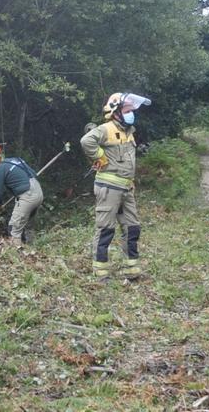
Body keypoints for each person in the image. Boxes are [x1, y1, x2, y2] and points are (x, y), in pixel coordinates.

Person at [80, 92, 151, 282]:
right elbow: (86, 141)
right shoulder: (106, 129)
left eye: (132, 110)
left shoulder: (129, 131)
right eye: (128, 110)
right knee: (106, 229)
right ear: (116, 111)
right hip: (109, 187)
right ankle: (101, 273)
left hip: (126, 188)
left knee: (132, 228)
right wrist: (99, 156)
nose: (131, 113)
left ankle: (132, 271)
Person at [0, 144, 44, 246]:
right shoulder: (15, 160)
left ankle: (19, 256)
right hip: (38, 191)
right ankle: (30, 246)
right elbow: (34, 174)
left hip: (27, 195)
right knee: (24, 223)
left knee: (13, 229)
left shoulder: (0, 168)